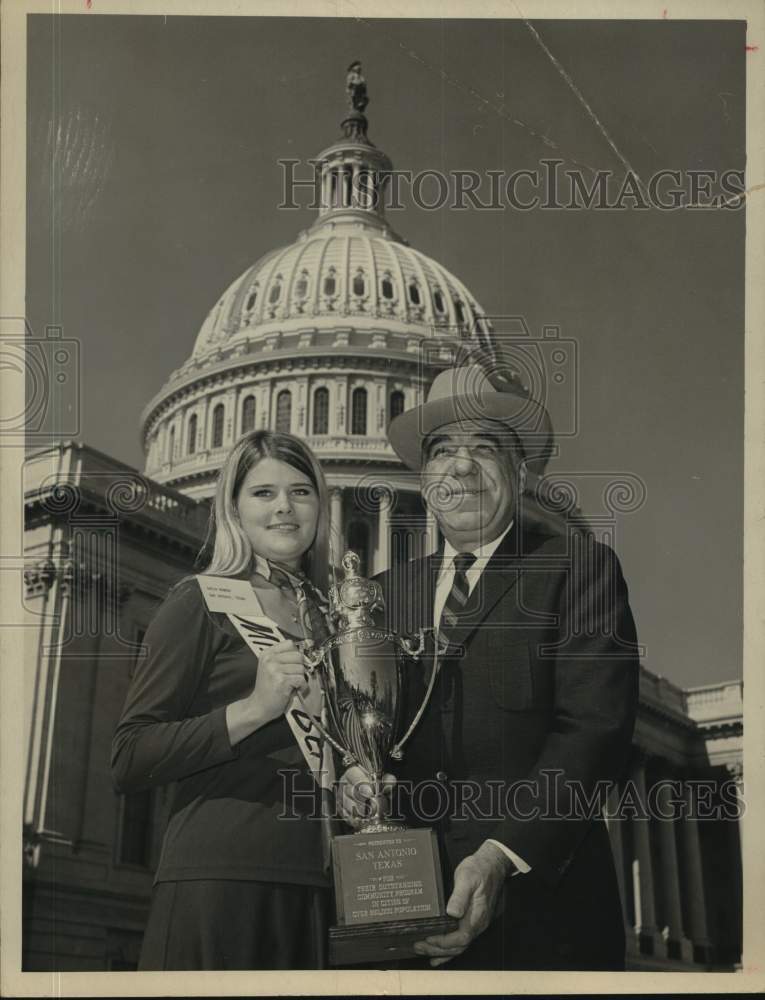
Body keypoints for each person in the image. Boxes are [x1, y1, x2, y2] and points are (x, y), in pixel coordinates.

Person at [339, 363, 640, 970]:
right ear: (424, 479)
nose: (461, 466)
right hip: (406, 914)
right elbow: (371, 730)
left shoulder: (577, 568)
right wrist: (354, 776)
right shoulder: (379, 596)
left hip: (543, 919)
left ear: (520, 470)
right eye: (443, 449)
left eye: (485, 448)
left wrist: (502, 854)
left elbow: (593, 733)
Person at [111, 430, 333, 970]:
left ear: (321, 506)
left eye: (301, 491)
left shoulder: (334, 619)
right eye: (263, 492)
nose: (284, 506)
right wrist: (252, 709)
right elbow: (130, 756)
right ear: (232, 506)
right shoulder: (199, 600)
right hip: (223, 879)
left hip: (321, 885)